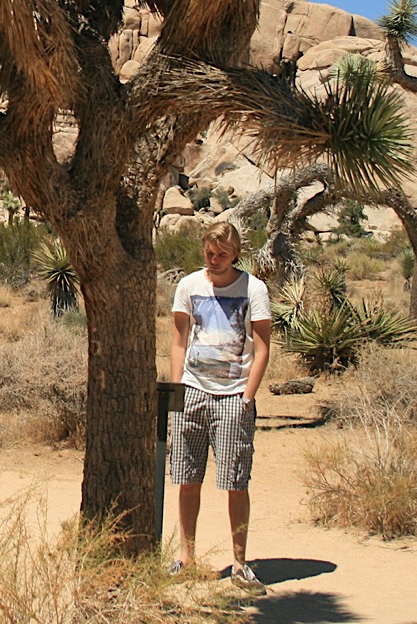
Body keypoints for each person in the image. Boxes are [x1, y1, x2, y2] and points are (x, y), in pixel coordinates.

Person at [167, 221, 271, 592]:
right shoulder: (189, 286)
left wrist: (247, 397)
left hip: (233, 395)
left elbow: (262, 348)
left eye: (222, 255)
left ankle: (240, 564)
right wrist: (178, 389)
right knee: (186, 478)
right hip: (193, 391)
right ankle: (186, 557)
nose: (214, 260)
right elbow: (179, 341)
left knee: (235, 482)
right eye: (209, 253)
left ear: (236, 254)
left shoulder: (254, 289)